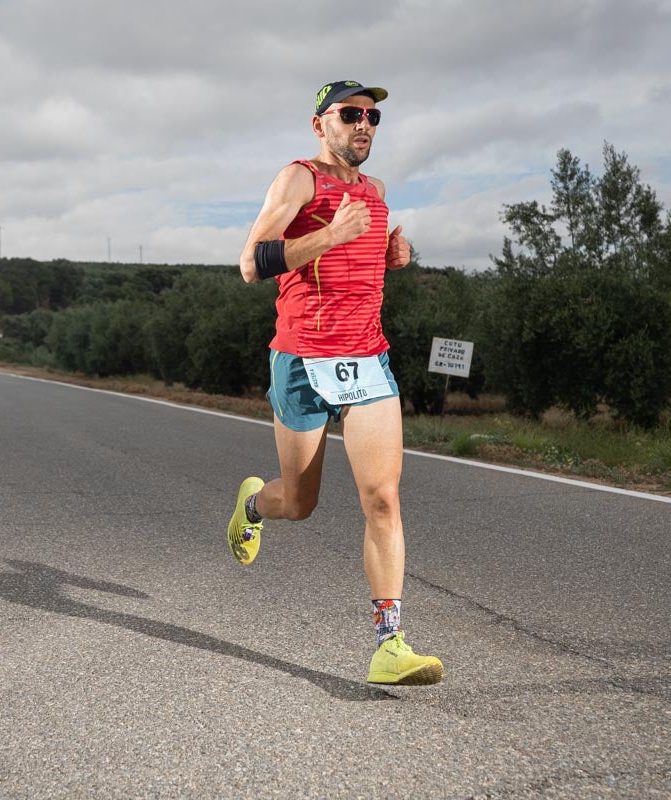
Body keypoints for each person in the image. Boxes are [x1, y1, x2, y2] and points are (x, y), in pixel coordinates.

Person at [228, 80, 443, 686]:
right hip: (301, 360)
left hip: (368, 359)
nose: (365, 124)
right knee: (299, 503)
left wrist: (391, 259)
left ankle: (389, 644)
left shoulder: (374, 193)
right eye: (351, 114)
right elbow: (251, 262)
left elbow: (359, 266)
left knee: (383, 498)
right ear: (320, 124)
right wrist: (328, 234)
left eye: (372, 116)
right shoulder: (298, 179)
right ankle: (251, 504)